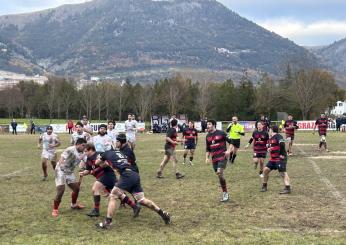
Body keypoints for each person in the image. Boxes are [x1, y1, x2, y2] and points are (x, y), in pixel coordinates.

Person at [96, 149, 170, 229]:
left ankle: (107, 222)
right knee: (141, 199)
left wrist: (100, 159)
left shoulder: (106, 153)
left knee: (113, 196)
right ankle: (163, 213)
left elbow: (97, 163)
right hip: (134, 174)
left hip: (126, 175)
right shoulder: (119, 153)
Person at [80, 143, 119, 217]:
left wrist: (94, 170)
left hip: (107, 175)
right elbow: (88, 170)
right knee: (116, 192)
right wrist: (83, 173)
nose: (85, 153)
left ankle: (96, 210)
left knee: (95, 188)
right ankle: (134, 205)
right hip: (102, 178)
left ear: (91, 150)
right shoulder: (88, 159)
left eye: (86, 151)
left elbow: (106, 164)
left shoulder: (99, 155)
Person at [52, 138, 87, 217]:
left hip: (69, 172)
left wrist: (83, 168)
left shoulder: (83, 153)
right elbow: (62, 158)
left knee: (76, 188)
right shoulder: (70, 149)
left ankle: (73, 205)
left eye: (85, 146)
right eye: (83, 145)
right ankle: (55, 209)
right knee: (61, 190)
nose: (84, 147)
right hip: (60, 170)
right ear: (77, 144)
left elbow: (85, 162)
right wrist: (61, 166)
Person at [205, 119, 232, 202]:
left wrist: (228, 151)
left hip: (222, 156)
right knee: (220, 176)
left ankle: (225, 194)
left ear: (213, 125)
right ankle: (225, 192)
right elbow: (208, 149)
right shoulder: (208, 136)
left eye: (209, 124)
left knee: (219, 172)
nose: (207, 126)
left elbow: (231, 142)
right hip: (214, 159)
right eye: (207, 124)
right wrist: (206, 157)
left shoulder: (222, 133)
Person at [261, 126, 291, 194]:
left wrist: (281, 154)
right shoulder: (270, 139)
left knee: (282, 172)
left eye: (269, 130)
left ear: (271, 130)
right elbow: (271, 146)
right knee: (265, 170)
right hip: (273, 159)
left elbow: (282, 144)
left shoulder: (278, 136)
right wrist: (269, 148)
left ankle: (287, 188)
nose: (268, 131)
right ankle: (264, 186)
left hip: (280, 158)